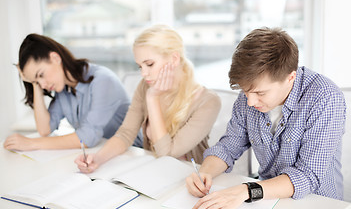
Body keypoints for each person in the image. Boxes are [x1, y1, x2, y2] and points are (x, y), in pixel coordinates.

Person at [186, 27, 347, 209]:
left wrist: (246, 191)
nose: (251, 102)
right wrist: (204, 173)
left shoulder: (326, 98)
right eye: (246, 92)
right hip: (267, 204)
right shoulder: (250, 94)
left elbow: (307, 176)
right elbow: (228, 147)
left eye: (260, 93)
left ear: (290, 78)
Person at [75, 24, 221, 173]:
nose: (144, 73)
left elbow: (167, 153)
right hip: (155, 172)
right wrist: (97, 159)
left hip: (191, 177)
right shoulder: (145, 86)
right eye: (140, 66)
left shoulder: (208, 101)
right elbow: (126, 134)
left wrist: (152, 98)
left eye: (149, 64)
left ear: (174, 59)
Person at [3, 33, 142, 151]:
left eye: (41, 75)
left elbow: (87, 137)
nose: (43, 85)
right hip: (101, 155)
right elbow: (45, 129)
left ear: (55, 58)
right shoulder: (63, 90)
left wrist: (31, 143)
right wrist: (34, 83)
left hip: (134, 154)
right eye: (37, 81)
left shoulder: (103, 80)